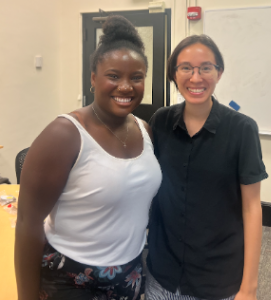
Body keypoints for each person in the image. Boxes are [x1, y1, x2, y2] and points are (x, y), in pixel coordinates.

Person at [15, 15, 162, 300]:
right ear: (93, 78)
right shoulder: (64, 134)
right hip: (71, 279)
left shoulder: (145, 130)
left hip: (130, 273)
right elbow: (27, 222)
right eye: (114, 76)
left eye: (136, 77)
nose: (125, 86)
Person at [145, 35, 268, 300]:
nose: (196, 77)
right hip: (161, 275)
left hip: (217, 279)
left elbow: (251, 207)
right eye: (186, 67)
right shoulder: (161, 122)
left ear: (219, 72)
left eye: (206, 68)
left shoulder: (242, 129)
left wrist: (249, 288)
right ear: (174, 74)